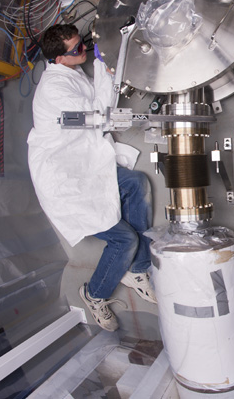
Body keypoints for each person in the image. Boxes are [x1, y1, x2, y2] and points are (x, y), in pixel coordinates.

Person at [27, 24, 155, 332]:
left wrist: (99, 63)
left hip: (83, 163)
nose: (82, 51)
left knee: (138, 184)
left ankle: (137, 270)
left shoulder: (66, 73)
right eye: (76, 50)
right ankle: (94, 294)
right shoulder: (55, 90)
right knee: (125, 239)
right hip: (65, 183)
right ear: (59, 58)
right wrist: (101, 64)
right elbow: (101, 113)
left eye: (81, 44)